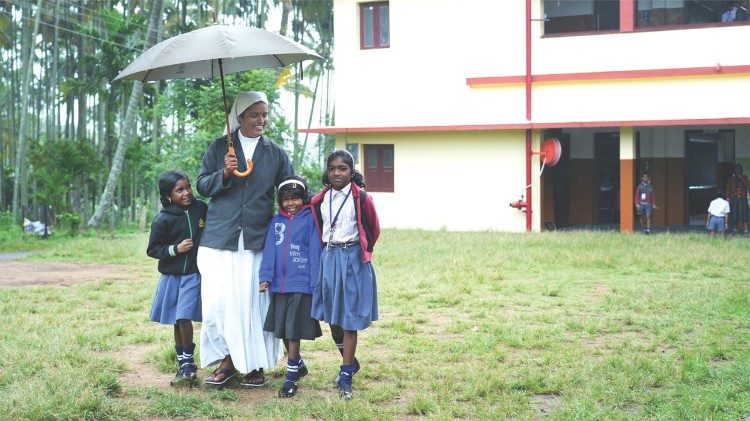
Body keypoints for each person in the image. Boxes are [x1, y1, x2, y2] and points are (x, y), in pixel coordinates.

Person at [197, 91, 294, 388]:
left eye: (264, 114)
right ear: (239, 118)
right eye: (254, 115)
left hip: (257, 238)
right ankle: (228, 357)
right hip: (220, 238)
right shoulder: (219, 148)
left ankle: (253, 365)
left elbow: (291, 188)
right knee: (221, 302)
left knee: (254, 303)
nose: (261, 120)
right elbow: (202, 185)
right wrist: (224, 174)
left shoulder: (275, 153)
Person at [310, 149, 380, 400]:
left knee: (349, 317)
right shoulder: (319, 200)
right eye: (332, 168)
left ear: (351, 172)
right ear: (326, 172)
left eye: (342, 168)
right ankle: (348, 358)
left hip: (353, 259)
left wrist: (360, 253)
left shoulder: (360, 198)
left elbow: (373, 228)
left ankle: (346, 374)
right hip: (329, 258)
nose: (337, 173)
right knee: (333, 317)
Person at [259, 175, 323, 398]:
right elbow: (269, 250)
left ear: (303, 199)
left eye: (296, 198)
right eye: (286, 199)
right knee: (283, 329)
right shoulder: (276, 222)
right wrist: (266, 276)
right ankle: (299, 364)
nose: (291, 203)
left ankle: (291, 374)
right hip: (279, 285)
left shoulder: (310, 220)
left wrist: (316, 284)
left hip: (300, 284)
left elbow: (315, 252)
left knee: (293, 331)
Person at [146, 171, 208, 387]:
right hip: (172, 277)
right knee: (176, 320)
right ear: (168, 195)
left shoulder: (200, 208)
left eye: (188, 187)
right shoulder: (163, 219)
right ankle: (184, 365)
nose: (186, 193)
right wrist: (175, 249)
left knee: (184, 317)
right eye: (179, 190)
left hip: (193, 274)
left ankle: (189, 365)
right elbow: (153, 249)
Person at [725, 164, 749, 234]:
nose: (737, 170)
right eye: (736, 169)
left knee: (744, 212)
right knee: (734, 212)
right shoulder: (731, 178)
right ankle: (735, 228)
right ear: (734, 170)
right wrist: (727, 197)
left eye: (739, 169)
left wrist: (741, 177)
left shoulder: (745, 177)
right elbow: (727, 188)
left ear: (741, 170)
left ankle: (745, 228)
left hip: (743, 198)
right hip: (734, 199)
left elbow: (748, 185)